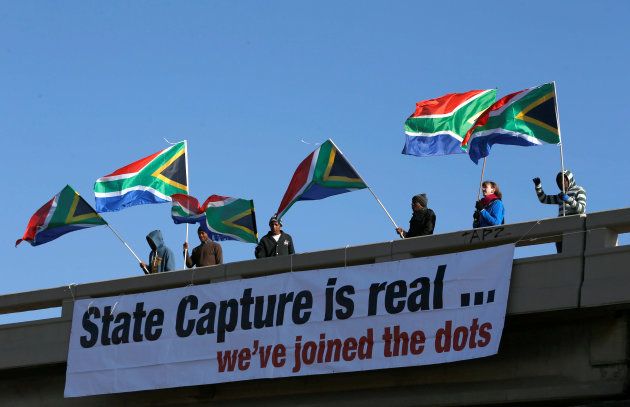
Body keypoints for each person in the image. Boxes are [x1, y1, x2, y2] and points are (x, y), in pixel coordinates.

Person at [533, 170, 586, 252]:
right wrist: (538, 186)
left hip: (575, 227)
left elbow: (581, 209)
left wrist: (568, 199)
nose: (561, 183)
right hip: (561, 228)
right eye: (558, 181)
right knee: (561, 253)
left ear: (569, 179)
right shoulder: (561, 195)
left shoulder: (579, 190)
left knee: (573, 252)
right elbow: (544, 199)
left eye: (563, 180)